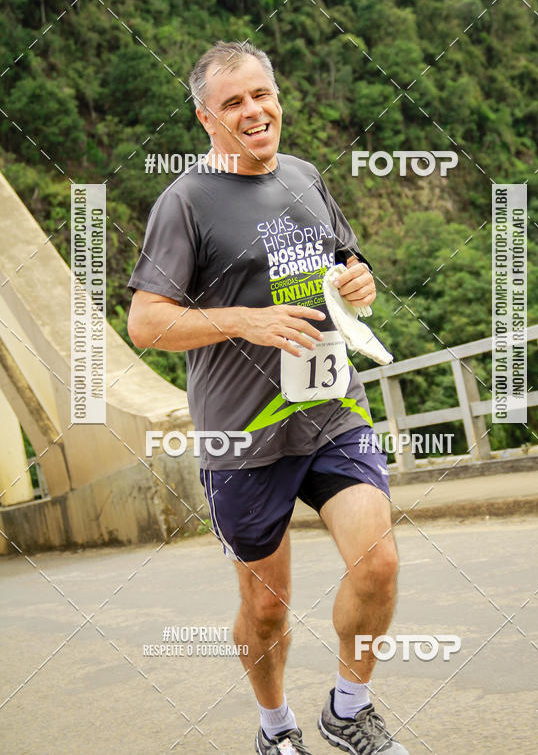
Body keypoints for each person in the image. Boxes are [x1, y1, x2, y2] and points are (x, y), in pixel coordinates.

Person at [127, 40, 408, 755]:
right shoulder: (185, 200)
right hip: (243, 437)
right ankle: (275, 726)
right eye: (233, 104)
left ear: (277, 96)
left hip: (331, 411)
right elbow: (147, 322)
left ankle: (350, 710)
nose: (253, 111)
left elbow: (346, 262)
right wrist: (244, 321)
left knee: (377, 563)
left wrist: (359, 279)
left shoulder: (307, 178)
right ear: (205, 119)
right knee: (265, 608)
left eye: (261, 95)